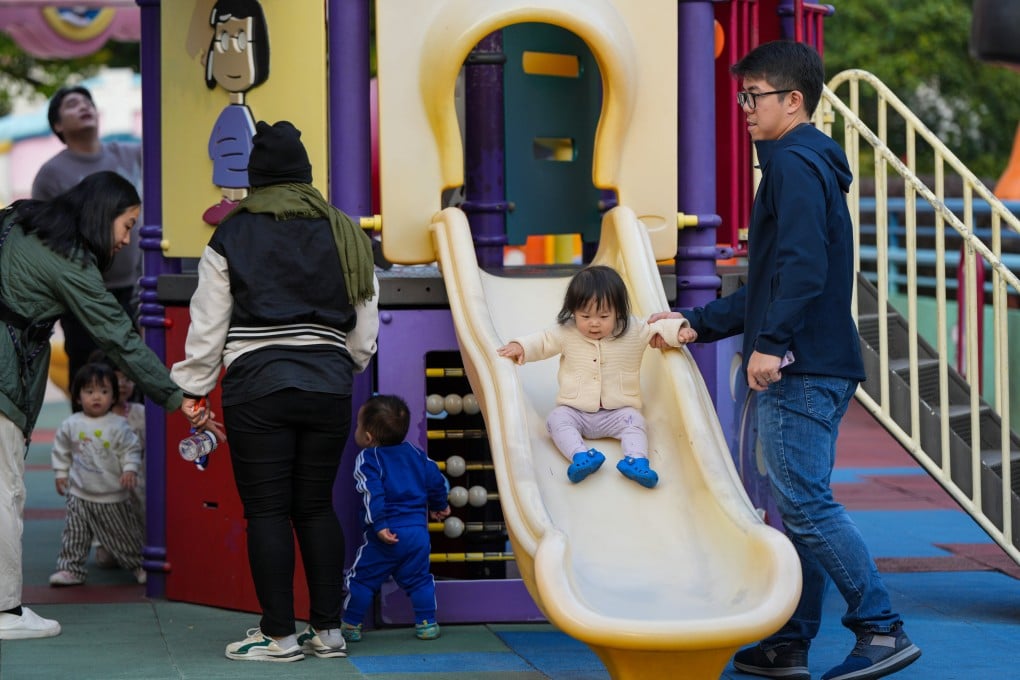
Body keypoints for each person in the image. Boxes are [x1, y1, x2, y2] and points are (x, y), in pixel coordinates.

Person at [650, 41, 921, 680]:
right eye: (743, 96)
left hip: (803, 364)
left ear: (792, 101)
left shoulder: (795, 165)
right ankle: (791, 641)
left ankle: (881, 628)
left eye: (754, 96)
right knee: (802, 504)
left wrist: (770, 345)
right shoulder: (803, 163)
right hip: (818, 358)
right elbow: (774, 276)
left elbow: (802, 267)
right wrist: (697, 323)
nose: (744, 108)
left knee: (803, 502)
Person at [170, 120, 379, 662]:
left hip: (257, 387)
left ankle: (279, 635)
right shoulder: (345, 231)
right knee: (314, 506)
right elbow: (364, 319)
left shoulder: (232, 232)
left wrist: (193, 387)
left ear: (255, 177)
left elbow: (209, 322)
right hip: (329, 383)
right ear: (305, 174)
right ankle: (328, 631)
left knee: (267, 510)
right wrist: (346, 362)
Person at [0, 170, 188, 640]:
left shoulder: (21, 220)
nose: (127, 239)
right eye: (127, 225)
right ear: (103, 215)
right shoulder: (69, 261)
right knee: (6, 491)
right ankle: (5, 611)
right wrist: (175, 397)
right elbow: (118, 336)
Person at [497, 265, 695, 489]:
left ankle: (636, 460)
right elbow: (542, 342)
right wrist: (520, 346)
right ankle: (581, 456)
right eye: (585, 316)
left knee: (636, 422)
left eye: (603, 316)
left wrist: (678, 332)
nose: (594, 323)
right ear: (573, 312)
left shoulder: (633, 330)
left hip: (618, 412)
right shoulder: (567, 332)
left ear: (618, 312)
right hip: (577, 411)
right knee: (556, 420)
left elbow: (658, 330)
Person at [32, 85, 145, 401]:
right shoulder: (50, 174)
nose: (84, 106)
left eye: (87, 101)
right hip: (83, 297)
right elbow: (45, 238)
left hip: (135, 291)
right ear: (58, 125)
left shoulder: (128, 153)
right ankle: (83, 448)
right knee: (90, 383)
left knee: (134, 381)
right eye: (72, 104)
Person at [341, 395, 451, 643]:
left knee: (362, 580)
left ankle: (351, 624)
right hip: (418, 534)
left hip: (387, 534)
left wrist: (379, 524)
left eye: (358, 426)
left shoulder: (368, 459)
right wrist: (439, 505)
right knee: (420, 579)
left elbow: (373, 493)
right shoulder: (415, 453)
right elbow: (434, 477)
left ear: (368, 437)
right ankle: (426, 623)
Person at [49, 362, 146, 587]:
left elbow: (131, 449)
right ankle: (70, 568)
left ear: (113, 397)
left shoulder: (119, 425)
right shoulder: (71, 424)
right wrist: (61, 473)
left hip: (111, 494)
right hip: (79, 493)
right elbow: (61, 450)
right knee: (74, 534)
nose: (96, 397)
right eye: (89, 391)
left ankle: (138, 564)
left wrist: (130, 469)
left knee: (123, 535)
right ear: (77, 396)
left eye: (104, 392)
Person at [89, 349, 147, 566]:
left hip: (137, 480)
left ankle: (140, 545)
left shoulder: (140, 412)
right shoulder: (96, 419)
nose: (122, 384)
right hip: (107, 484)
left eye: (128, 378)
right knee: (107, 559)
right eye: (116, 378)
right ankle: (106, 543)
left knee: (140, 511)